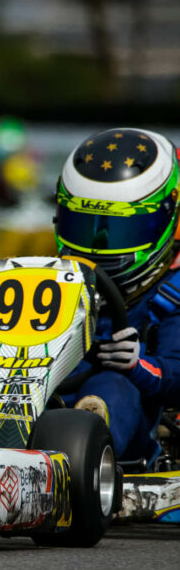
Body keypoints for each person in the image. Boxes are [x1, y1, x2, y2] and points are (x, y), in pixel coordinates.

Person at [54, 127, 180, 466]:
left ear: (170, 218)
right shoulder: (56, 277)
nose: (97, 248)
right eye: (85, 227)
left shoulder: (173, 293)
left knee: (111, 383)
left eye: (120, 231)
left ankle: (82, 452)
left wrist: (138, 366)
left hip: (134, 409)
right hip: (47, 387)